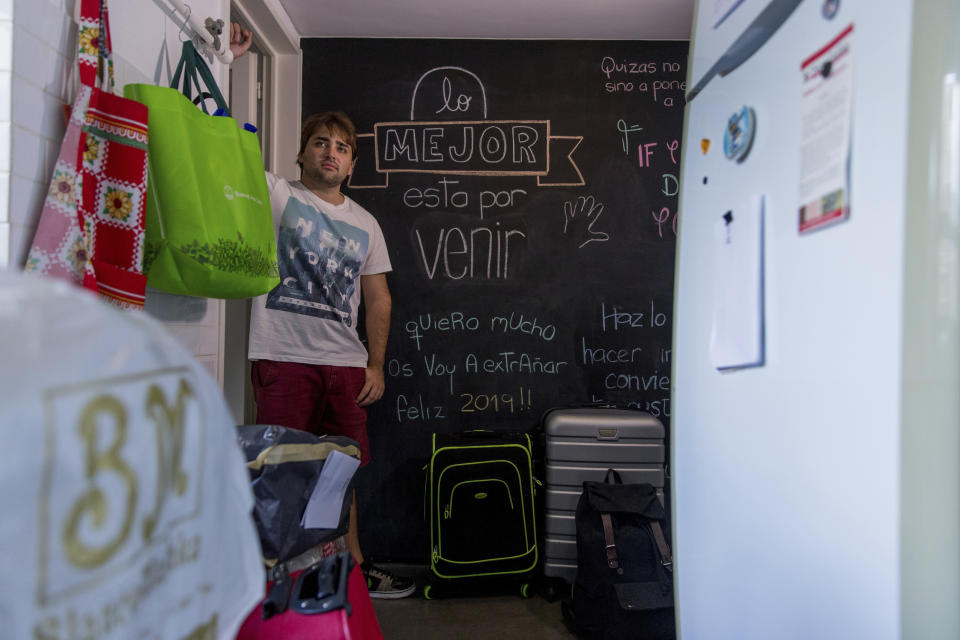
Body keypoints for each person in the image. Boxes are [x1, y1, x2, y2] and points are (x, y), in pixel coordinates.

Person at [229, 24, 415, 599]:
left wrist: (376, 365)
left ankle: (350, 575)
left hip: (345, 365)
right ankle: (278, 582)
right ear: (302, 153)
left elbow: (379, 296)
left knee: (341, 476)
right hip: (283, 357)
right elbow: (227, 149)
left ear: (351, 163)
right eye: (320, 143)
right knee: (281, 473)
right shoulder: (279, 195)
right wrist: (227, 59)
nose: (330, 153)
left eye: (341, 147)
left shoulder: (366, 224)